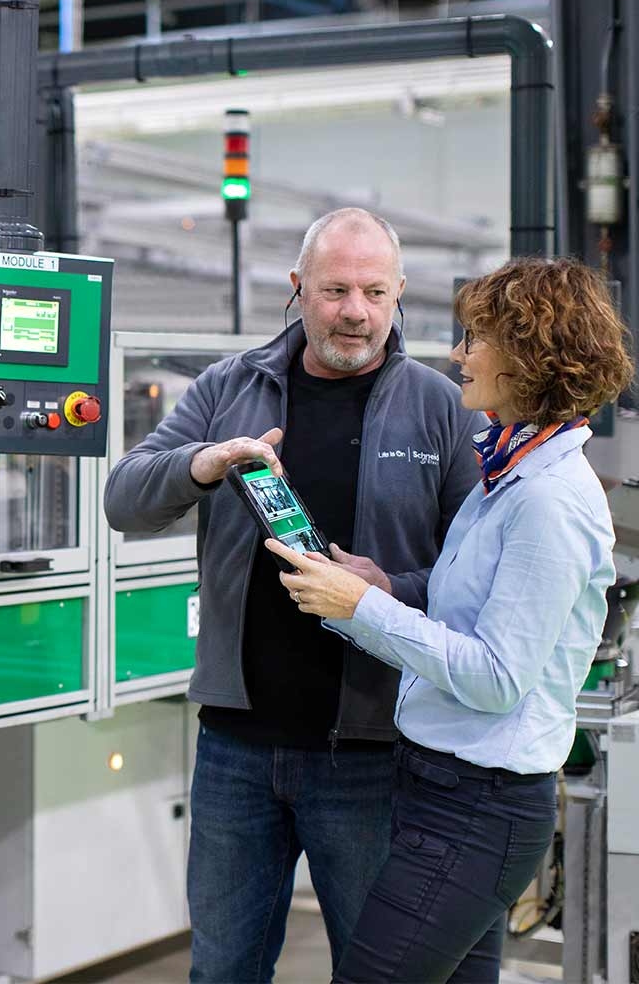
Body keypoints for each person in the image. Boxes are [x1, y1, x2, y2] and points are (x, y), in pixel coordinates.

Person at [103, 207, 486, 980]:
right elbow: (124, 501)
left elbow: (474, 574)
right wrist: (204, 463)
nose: (356, 312)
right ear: (298, 288)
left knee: (376, 971)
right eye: (336, 290)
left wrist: (389, 588)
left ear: (399, 293)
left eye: (375, 293)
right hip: (236, 748)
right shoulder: (229, 387)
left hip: (375, 752)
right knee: (222, 970)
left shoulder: (441, 406)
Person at [270, 258, 634, 983]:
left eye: (477, 339)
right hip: (440, 789)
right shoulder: (507, 474)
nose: (458, 353)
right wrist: (377, 590)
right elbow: (465, 617)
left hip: (479, 810)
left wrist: (364, 608)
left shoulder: (548, 499)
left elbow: (496, 677)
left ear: (532, 356)